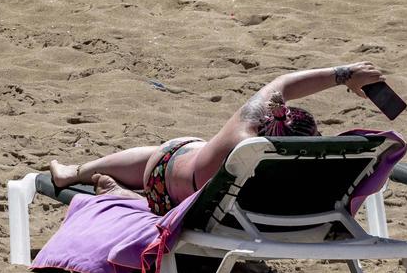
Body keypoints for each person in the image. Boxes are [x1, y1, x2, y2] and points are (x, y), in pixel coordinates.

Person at [48, 62, 386, 214]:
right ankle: (109, 186)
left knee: (169, 154)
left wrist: (346, 74)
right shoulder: (305, 175)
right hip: (249, 218)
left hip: (168, 192)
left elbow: (281, 83)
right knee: (193, 169)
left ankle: (81, 175)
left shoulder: (242, 137)